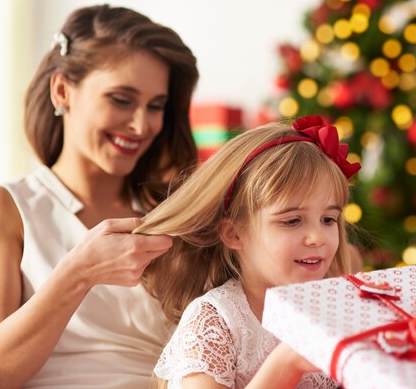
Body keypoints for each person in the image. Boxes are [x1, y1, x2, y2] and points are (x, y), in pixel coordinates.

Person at [0, 4, 199, 388]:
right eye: (121, 99)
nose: (141, 124)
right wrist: (77, 274)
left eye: (156, 106)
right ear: (62, 90)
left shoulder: (172, 213)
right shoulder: (5, 208)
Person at [134, 115, 361, 389]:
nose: (317, 238)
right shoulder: (216, 321)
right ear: (234, 234)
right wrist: (287, 363)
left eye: (328, 219)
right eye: (291, 221)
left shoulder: (334, 305)